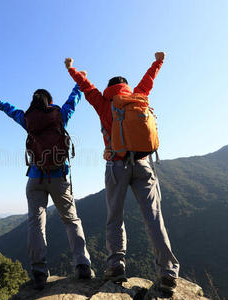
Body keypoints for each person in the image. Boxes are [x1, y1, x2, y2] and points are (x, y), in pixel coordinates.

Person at [64, 53, 180, 293]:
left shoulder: (104, 101)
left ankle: (116, 266)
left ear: (109, 88)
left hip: (116, 165)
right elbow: (149, 79)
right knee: (154, 218)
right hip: (143, 163)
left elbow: (86, 87)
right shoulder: (138, 96)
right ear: (126, 86)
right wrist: (158, 61)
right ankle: (168, 272)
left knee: (115, 217)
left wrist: (72, 69)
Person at [0, 84, 94, 290]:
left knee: (36, 225)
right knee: (71, 220)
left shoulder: (28, 119)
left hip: (35, 178)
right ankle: (82, 264)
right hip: (59, 177)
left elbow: (10, 110)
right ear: (49, 101)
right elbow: (74, 100)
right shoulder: (59, 115)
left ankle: (39, 272)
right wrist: (79, 82)